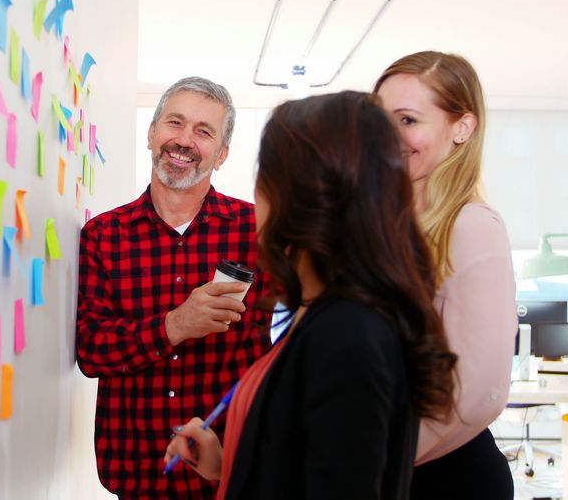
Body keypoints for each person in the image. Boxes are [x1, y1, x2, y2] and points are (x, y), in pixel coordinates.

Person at [164, 91, 457, 499]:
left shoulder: (349, 335)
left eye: (264, 180)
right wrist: (225, 466)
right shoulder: (327, 316)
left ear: (299, 196)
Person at [75, 76, 271, 499]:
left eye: (204, 132)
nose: (184, 140)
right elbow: (91, 350)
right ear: (151, 134)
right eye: (174, 123)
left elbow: (286, 350)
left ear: (221, 155)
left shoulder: (260, 232)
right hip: (137, 471)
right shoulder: (103, 235)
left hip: (233, 473)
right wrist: (175, 325)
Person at [374, 51, 518, 499]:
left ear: (462, 128)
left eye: (408, 119)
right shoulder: (384, 227)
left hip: (446, 480)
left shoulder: (472, 227)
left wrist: (366, 458)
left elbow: (477, 392)